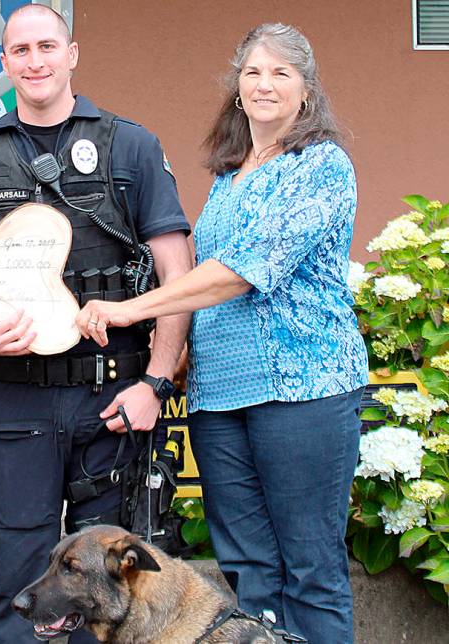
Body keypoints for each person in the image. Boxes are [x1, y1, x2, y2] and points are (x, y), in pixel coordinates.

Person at [80, 23, 367, 643]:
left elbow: (237, 273)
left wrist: (130, 310)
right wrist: (174, 363)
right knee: (249, 572)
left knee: (311, 571)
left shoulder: (321, 166)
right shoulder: (228, 176)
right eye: (253, 72)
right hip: (219, 400)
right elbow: (207, 284)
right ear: (237, 88)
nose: (265, 84)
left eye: (281, 73)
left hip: (302, 393)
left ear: (307, 91)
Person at [0, 5, 192, 642]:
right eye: (20, 51)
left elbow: (176, 273)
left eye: (47, 46)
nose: (35, 61)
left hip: (114, 399)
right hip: (14, 397)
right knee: (21, 586)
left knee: (112, 600)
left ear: (71, 54)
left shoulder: (131, 146)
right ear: (4, 64)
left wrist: (155, 384)